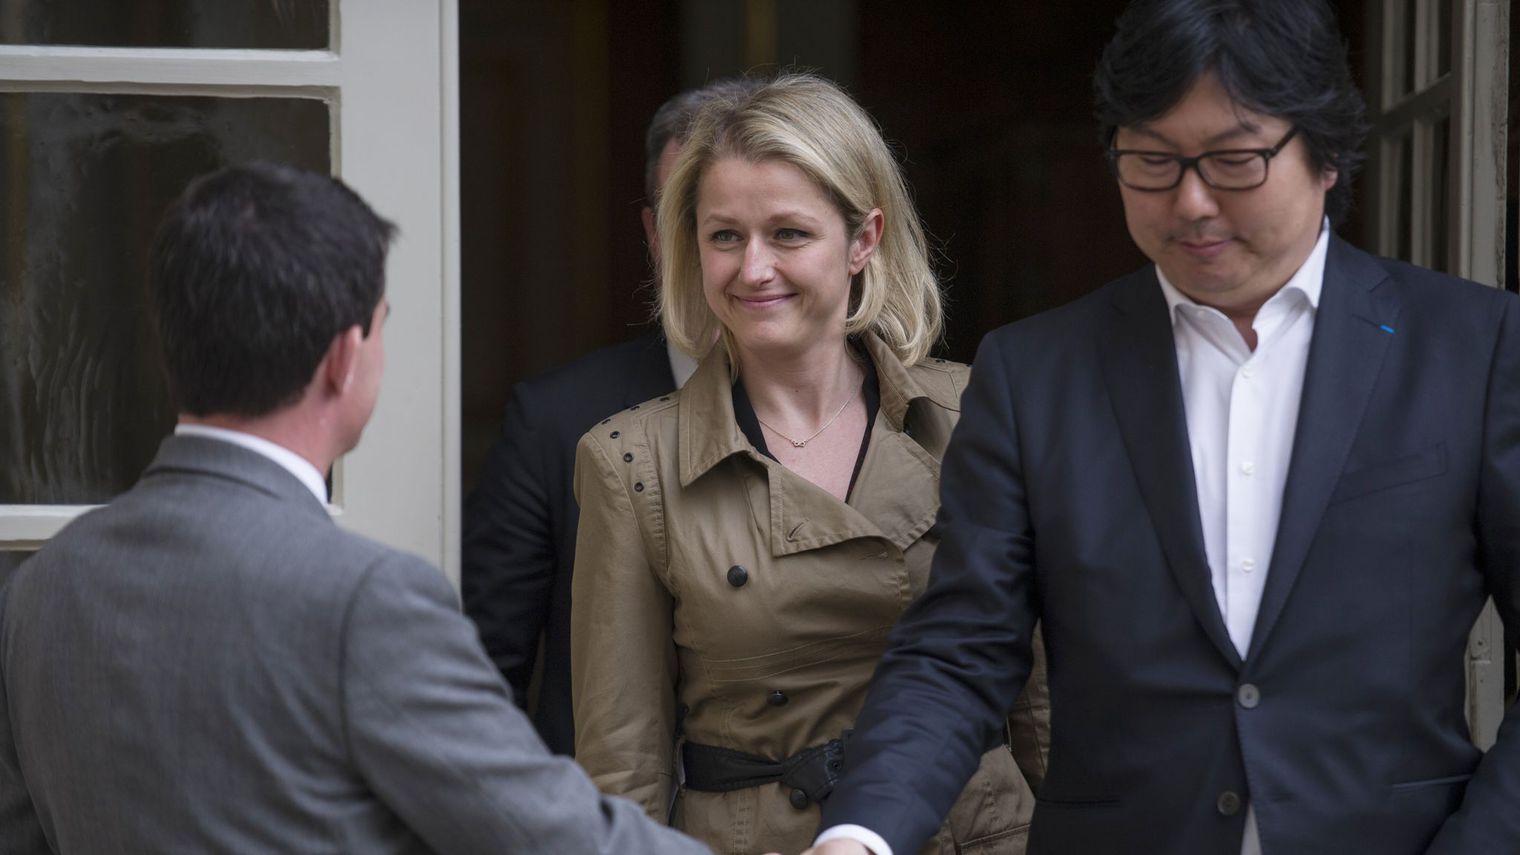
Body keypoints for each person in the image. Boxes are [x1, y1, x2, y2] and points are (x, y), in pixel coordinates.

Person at [807, 1, 1520, 854]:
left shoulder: (1472, 348)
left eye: (1234, 160)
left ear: (1325, 153)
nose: (1191, 201)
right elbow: (961, 650)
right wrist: (861, 834)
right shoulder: (1036, 373)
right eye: (1151, 161)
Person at [0, 163, 710, 855]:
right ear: (345, 357)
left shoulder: (40, 585)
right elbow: (550, 836)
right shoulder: (369, 601)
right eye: (381, 324)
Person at [571, 73, 1047, 855]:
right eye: (725, 236)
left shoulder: (973, 414)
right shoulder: (632, 461)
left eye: (788, 234)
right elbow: (624, 766)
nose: (753, 268)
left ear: (863, 240)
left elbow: (1042, 702)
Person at [462, 78, 760, 755]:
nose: (740, 260)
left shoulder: (882, 412)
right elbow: (481, 683)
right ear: (654, 235)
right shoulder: (556, 421)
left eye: (773, 225)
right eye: (695, 218)